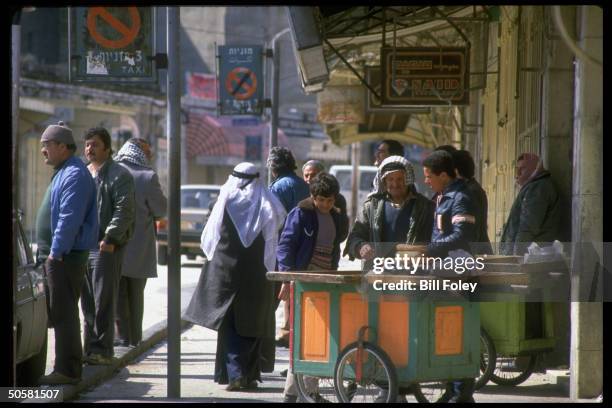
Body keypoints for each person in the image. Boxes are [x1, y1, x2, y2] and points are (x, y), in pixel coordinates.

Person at [184, 162, 287, 391]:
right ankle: (245, 375)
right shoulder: (270, 204)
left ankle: (238, 374)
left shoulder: (222, 201)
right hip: (257, 277)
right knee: (253, 324)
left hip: (225, 276)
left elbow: (209, 239)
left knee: (231, 324)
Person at [276, 172, 349, 403]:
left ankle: (309, 391)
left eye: (330, 200)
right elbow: (286, 245)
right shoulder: (301, 214)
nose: (326, 205)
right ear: (313, 196)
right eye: (321, 200)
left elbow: (335, 247)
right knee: (301, 338)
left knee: (319, 338)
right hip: (303, 283)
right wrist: (287, 278)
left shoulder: (337, 217)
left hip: (325, 282)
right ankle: (293, 393)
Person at [37, 121, 99, 385]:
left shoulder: (74, 174)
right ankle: (65, 367)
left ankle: (68, 370)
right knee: (58, 311)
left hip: (63, 256)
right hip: (57, 255)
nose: (43, 151)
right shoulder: (65, 171)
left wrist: (56, 252)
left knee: (63, 312)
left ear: (63, 147)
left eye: (46, 145)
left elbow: (69, 218)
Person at [422, 150, 477, 403]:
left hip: (457, 275)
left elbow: (461, 235)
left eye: (428, 176)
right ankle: (455, 390)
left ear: (443, 175)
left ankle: (460, 391)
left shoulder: (460, 197)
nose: (426, 181)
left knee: (457, 331)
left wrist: (431, 249)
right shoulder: (443, 196)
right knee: (445, 332)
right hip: (442, 273)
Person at [81, 127, 135, 365]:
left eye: (94, 144)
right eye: (87, 144)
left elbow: (124, 210)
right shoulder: (83, 173)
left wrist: (110, 238)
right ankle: (89, 350)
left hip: (105, 246)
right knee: (87, 301)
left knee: (104, 300)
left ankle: (103, 350)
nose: (89, 149)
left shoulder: (119, 175)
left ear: (107, 148)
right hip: (82, 246)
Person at [114, 138, 167, 347]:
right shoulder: (147, 176)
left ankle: (121, 338)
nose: (150, 156)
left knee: (117, 296)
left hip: (112, 245)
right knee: (135, 296)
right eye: (148, 152)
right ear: (139, 152)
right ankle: (134, 339)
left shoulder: (111, 171)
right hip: (138, 248)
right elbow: (161, 210)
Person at [346, 155, 434, 265]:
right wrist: (361, 246)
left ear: (408, 179)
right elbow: (355, 237)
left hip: (413, 275)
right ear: (384, 181)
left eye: (400, 179)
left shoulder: (425, 207)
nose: (395, 184)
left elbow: (434, 243)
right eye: (390, 179)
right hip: (378, 275)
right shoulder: (371, 207)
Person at [267, 147, 310, 352]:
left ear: (273, 166)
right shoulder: (303, 184)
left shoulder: (277, 188)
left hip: (281, 251)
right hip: (304, 250)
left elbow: (271, 221)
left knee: (272, 303)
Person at [500, 153, 562, 255]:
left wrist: (517, 254)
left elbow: (528, 227)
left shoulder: (538, 188)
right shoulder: (533, 186)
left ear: (534, 168)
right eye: (517, 169)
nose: (518, 173)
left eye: (523, 168)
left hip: (530, 256)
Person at [453, 149, 493, 255]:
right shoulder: (472, 188)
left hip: (475, 254)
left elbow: (471, 231)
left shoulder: (468, 193)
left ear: (455, 171)